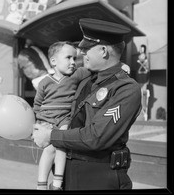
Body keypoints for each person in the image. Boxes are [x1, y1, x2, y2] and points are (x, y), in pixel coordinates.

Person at [32, 18, 142, 190]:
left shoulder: (126, 88)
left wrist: (51, 135)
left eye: (86, 49)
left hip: (98, 177)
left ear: (104, 51)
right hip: (68, 173)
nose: (81, 53)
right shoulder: (86, 81)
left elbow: (96, 137)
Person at [33, 41, 91, 190]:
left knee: (62, 145)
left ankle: (57, 184)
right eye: (68, 58)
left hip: (64, 119)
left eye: (75, 58)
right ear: (53, 61)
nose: (73, 62)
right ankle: (41, 185)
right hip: (47, 119)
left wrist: (121, 66)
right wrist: (37, 125)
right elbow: (37, 105)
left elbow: (94, 69)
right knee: (48, 150)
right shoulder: (44, 82)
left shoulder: (77, 74)